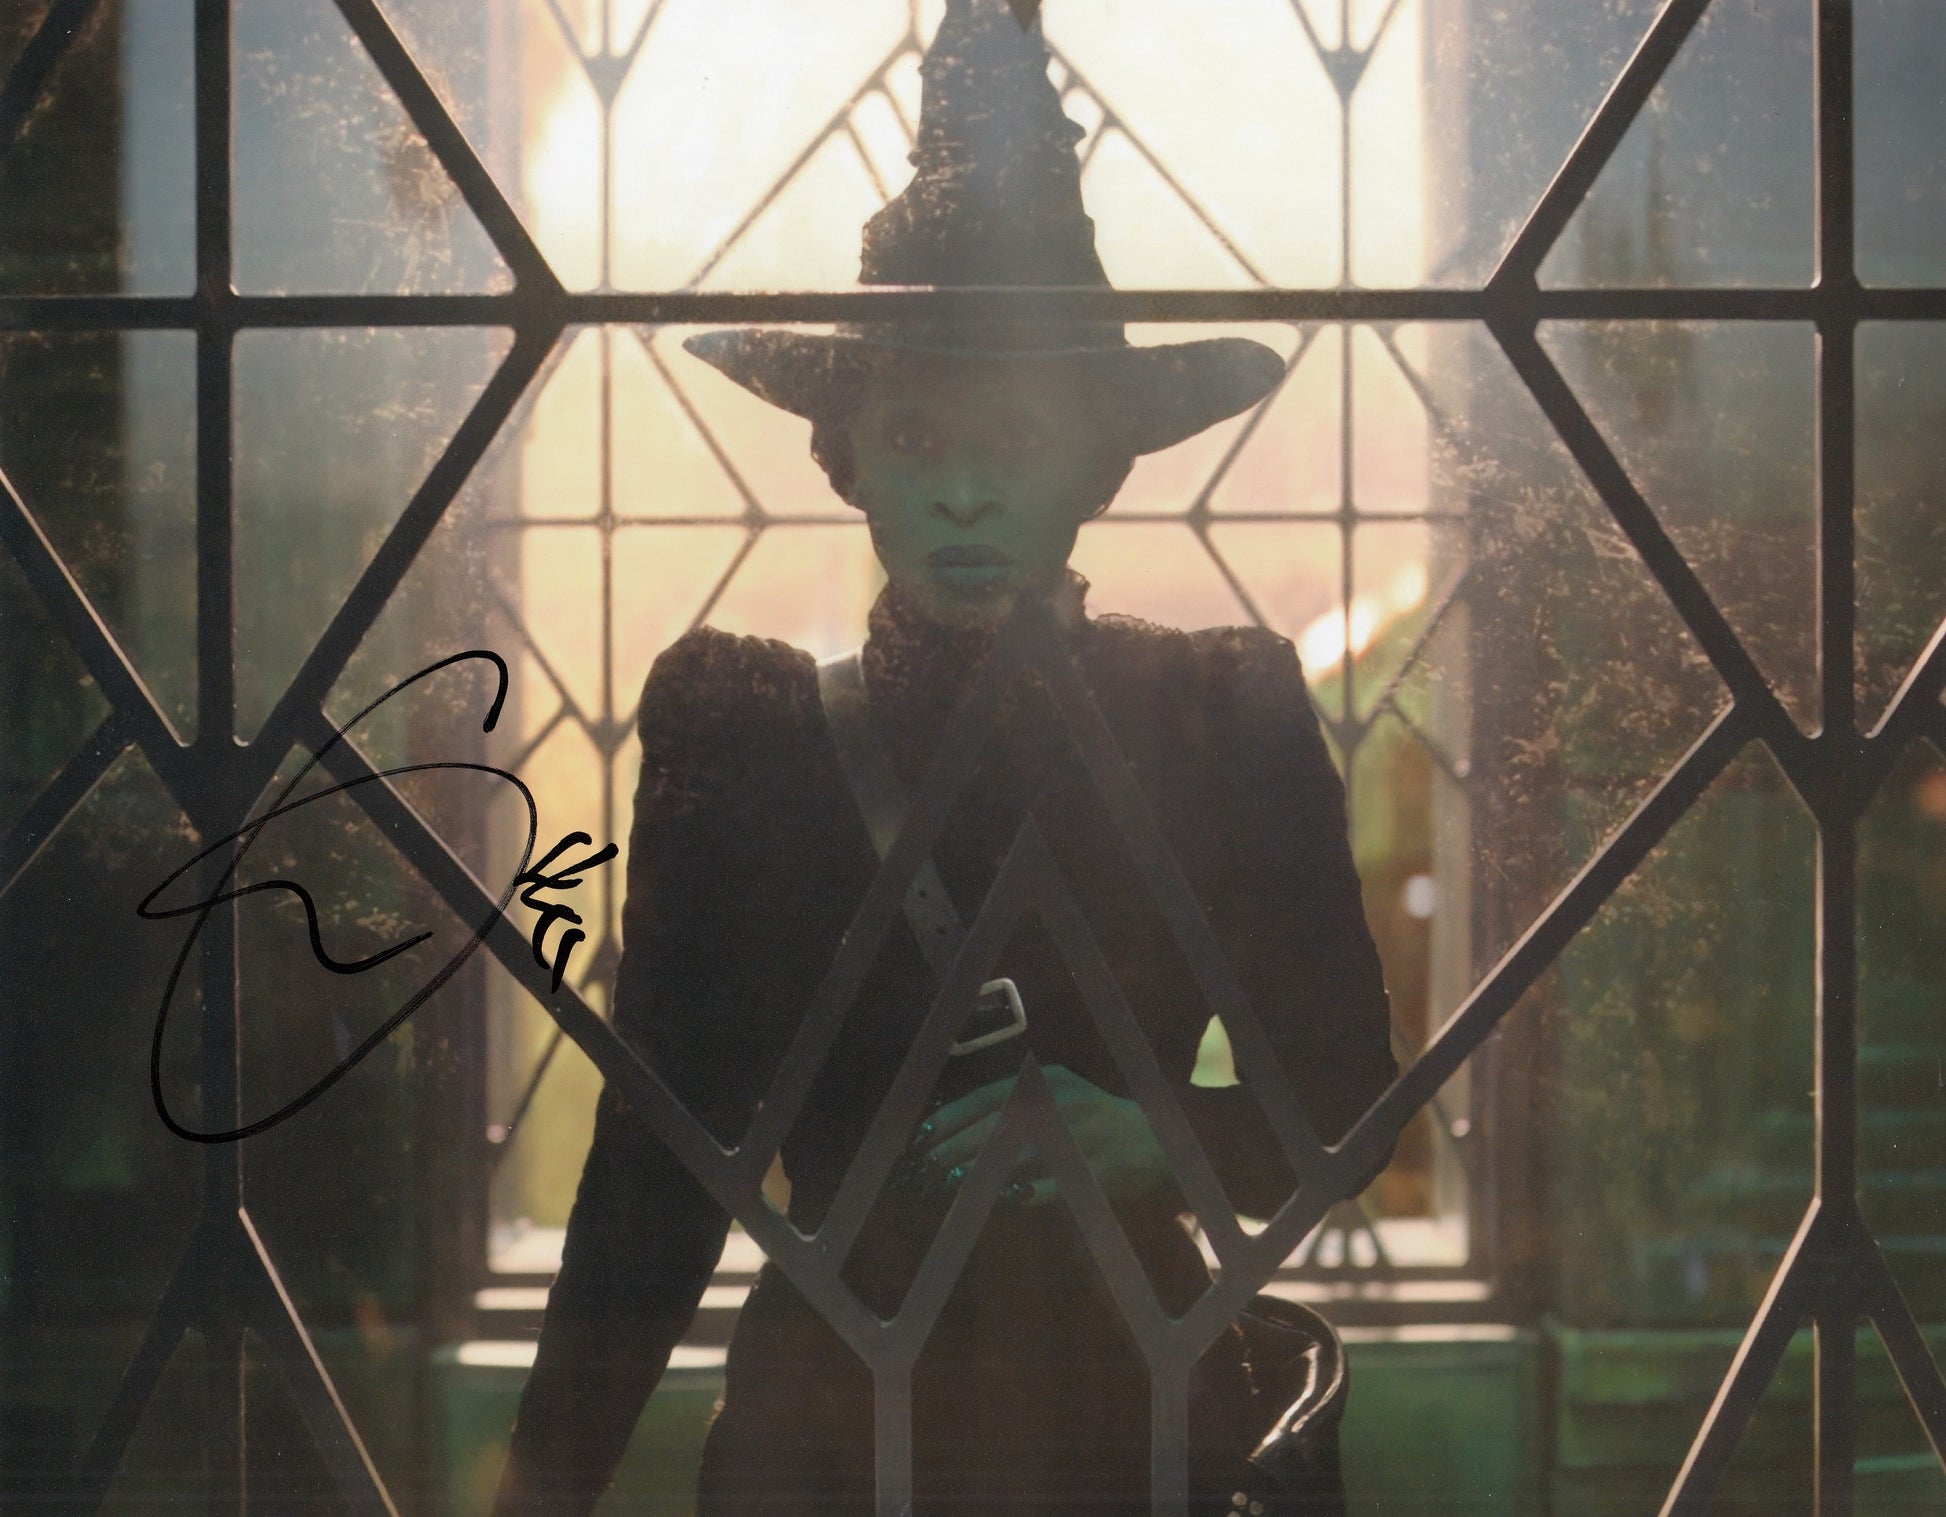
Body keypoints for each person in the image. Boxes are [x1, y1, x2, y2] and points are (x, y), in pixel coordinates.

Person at [493, 3, 1397, 1512]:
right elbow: (659, 1162)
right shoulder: (749, 729)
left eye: (1018, 440)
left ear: (1096, 462)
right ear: (847, 458)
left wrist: (1151, 1139)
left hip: (1130, 1415)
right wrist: (541, 1487)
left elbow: (1352, 1106)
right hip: (828, 1443)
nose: (966, 495)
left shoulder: (1216, 712)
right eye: (917, 439)